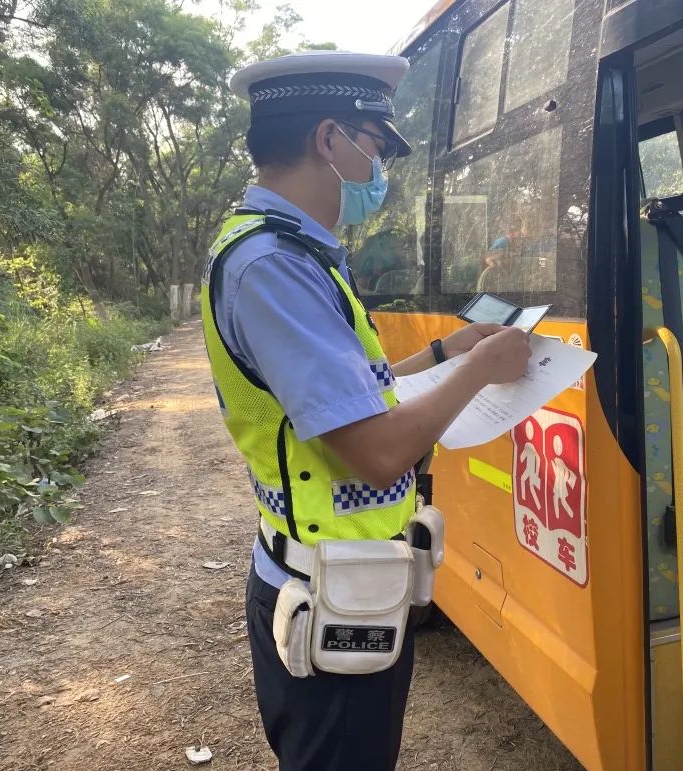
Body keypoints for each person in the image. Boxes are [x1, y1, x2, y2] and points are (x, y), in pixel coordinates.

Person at [201, 51, 532, 770]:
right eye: (376, 145)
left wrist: (446, 353)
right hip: (329, 592)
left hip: (343, 580)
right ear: (330, 139)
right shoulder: (275, 266)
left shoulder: (294, 254)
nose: (379, 170)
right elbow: (378, 450)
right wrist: (481, 371)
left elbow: (350, 393)